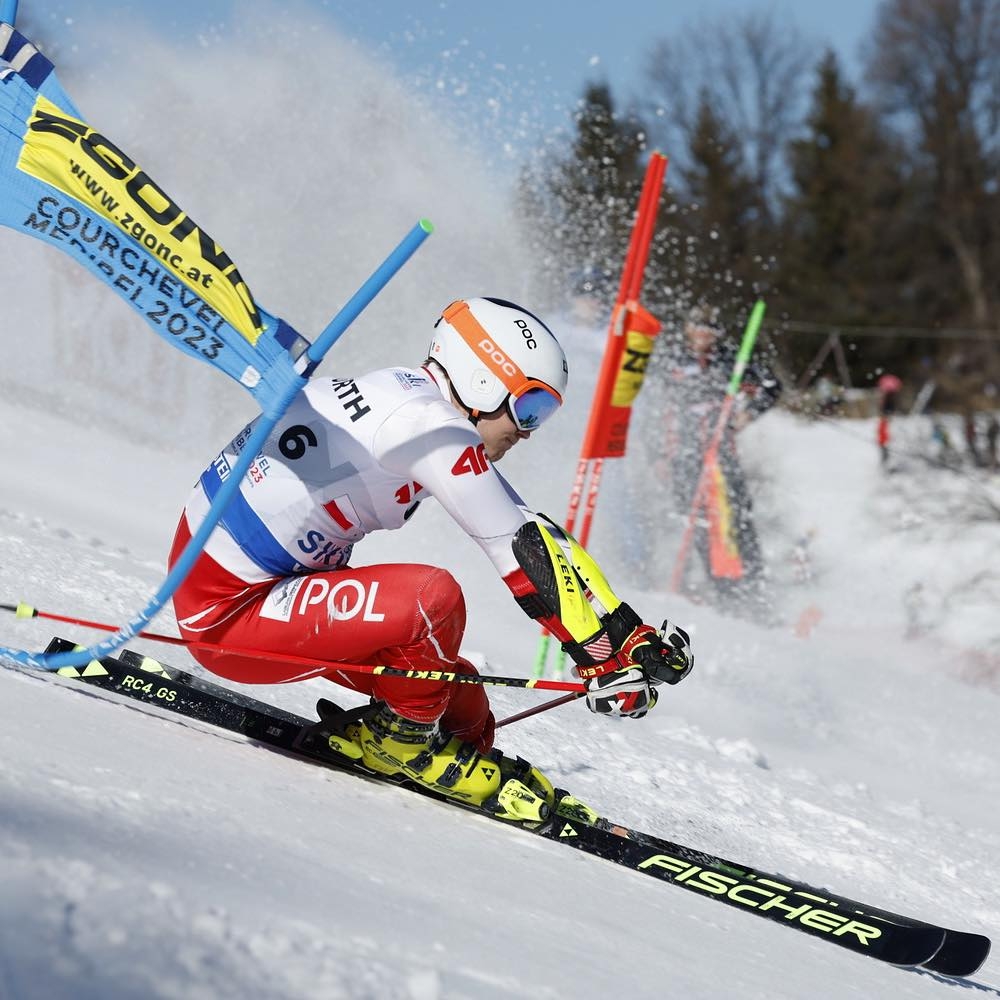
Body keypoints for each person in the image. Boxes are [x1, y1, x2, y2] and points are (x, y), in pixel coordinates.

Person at [168, 297, 693, 823]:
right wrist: (597, 655)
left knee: (462, 704)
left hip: (269, 594)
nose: (529, 430)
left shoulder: (419, 405)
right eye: (530, 406)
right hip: (228, 614)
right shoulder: (425, 424)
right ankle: (400, 743)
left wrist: (627, 633)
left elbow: (532, 526)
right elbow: (513, 547)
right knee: (432, 600)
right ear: (484, 379)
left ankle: (419, 742)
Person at [662, 304, 781, 616]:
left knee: (737, 518)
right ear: (688, 329)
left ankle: (753, 589)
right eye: (698, 327)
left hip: (721, 456)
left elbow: (771, 386)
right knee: (697, 522)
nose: (703, 334)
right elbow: (658, 410)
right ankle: (715, 589)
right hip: (685, 457)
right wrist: (660, 456)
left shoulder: (731, 360)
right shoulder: (672, 361)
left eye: (710, 328)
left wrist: (747, 414)